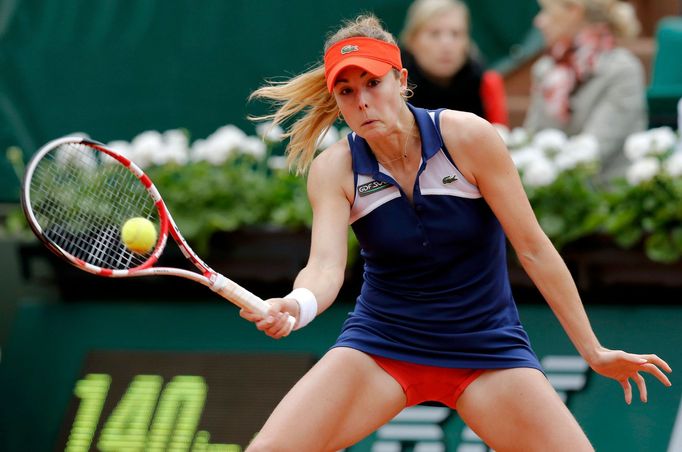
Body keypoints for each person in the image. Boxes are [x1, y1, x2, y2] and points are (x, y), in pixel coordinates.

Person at [243, 14, 671, 452]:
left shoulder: (467, 137)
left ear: (401, 79)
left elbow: (534, 249)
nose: (363, 102)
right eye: (347, 92)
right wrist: (296, 305)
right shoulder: (335, 168)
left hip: (487, 349)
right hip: (382, 345)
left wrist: (593, 350)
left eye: (373, 83)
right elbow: (325, 267)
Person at [524, 0, 647, 180]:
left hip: (608, 199)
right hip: (549, 193)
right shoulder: (545, 69)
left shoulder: (622, 69)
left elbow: (595, 150)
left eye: (546, 12)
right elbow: (531, 138)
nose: (539, 21)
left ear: (575, 11)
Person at [400, 0, 509, 125]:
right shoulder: (394, 87)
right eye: (434, 34)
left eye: (456, 34)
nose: (447, 45)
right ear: (412, 41)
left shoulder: (481, 83)